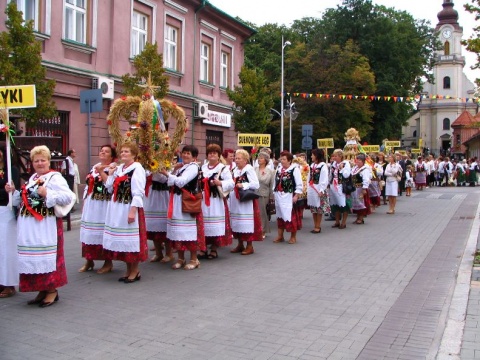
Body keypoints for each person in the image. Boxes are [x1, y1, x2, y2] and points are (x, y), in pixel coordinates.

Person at [5, 145, 73, 307]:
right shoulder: (33, 179)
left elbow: (68, 197)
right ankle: (41, 290)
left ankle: (51, 291)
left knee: (47, 258)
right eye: (36, 161)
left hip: (45, 226)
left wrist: (48, 193)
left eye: (43, 160)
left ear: (49, 161)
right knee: (34, 260)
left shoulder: (55, 177)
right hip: (30, 228)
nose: (40, 163)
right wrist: (13, 191)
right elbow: (24, 200)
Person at [103, 143, 148, 283]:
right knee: (123, 241)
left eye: (126, 152)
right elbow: (109, 188)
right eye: (121, 152)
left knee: (131, 240)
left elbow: (138, 192)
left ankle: (135, 270)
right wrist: (110, 175)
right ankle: (128, 270)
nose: (123, 154)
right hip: (117, 207)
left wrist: (132, 211)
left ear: (134, 154)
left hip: (129, 206)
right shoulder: (119, 168)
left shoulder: (137, 168)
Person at [160, 145, 205, 270]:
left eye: (188, 154)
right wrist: (172, 170)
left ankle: (194, 259)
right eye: (184, 153)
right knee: (177, 231)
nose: (185, 155)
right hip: (177, 200)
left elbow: (181, 182)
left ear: (194, 157)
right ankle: (181, 258)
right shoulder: (182, 167)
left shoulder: (193, 168)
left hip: (186, 201)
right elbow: (170, 182)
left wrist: (167, 174)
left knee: (188, 231)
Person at [79, 145, 117, 274]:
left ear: (111, 156)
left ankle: (108, 262)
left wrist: (102, 172)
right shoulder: (94, 167)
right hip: (92, 203)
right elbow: (88, 185)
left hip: (104, 204)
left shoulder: (113, 168)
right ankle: (89, 260)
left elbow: (110, 186)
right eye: (101, 150)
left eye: (106, 152)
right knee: (89, 233)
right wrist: (85, 200)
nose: (103, 152)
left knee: (102, 233)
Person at [201, 144, 234, 259]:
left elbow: (231, 183)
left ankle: (214, 248)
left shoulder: (223, 168)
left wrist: (219, 183)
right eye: (210, 153)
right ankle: (203, 247)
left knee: (215, 224)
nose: (212, 155)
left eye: (214, 153)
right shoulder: (203, 167)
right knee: (204, 222)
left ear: (219, 155)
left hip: (216, 200)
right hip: (204, 199)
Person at [230, 149, 262, 254]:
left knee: (246, 222)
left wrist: (243, 185)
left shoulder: (249, 169)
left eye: (239, 158)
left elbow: (256, 184)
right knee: (238, 222)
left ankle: (249, 246)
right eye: (236, 158)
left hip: (246, 201)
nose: (236, 160)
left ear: (245, 160)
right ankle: (240, 244)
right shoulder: (235, 170)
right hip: (236, 200)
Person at [0, 147, 20, 298]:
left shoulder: (11, 169)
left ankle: (9, 283)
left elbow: (14, 191)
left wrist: (8, 191)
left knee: (6, 249)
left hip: (5, 211)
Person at [273, 151, 303, 244]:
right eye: (281, 159)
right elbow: (275, 182)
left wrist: (296, 195)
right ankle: (280, 236)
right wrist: (274, 193)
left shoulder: (294, 169)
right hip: (279, 195)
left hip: (289, 196)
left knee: (291, 216)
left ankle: (293, 236)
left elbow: (299, 184)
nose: (282, 161)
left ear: (289, 160)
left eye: (284, 159)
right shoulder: (279, 169)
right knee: (280, 216)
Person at [144, 170, 172, 263]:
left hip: (162, 195)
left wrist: (155, 173)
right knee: (153, 226)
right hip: (151, 195)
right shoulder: (146, 166)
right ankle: (158, 253)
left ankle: (169, 253)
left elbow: (164, 179)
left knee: (164, 226)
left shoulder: (168, 165)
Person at [306, 148, 330, 233]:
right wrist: (307, 187)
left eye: (313, 154)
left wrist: (321, 190)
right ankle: (315, 224)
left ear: (317, 156)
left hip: (319, 189)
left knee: (319, 209)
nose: (311, 156)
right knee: (313, 208)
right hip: (312, 189)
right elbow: (309, 177)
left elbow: (324, 179)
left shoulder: (323, 166)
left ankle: (318, 226)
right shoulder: (312, 165)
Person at [329, 149, 351, 229]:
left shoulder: (346, 163)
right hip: (333, 186)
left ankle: (344, 222)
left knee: (343, 204)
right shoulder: (333, 164)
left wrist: (341, 168)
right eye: (334, 156)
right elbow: (331, 175)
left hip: (341, 186)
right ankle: (337, 221)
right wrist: (329, 183)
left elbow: (346, 175)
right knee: (335, 204)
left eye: (336, 156)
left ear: (341, 156)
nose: (334, 157)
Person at [255, 151, 275, 239]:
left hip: (264, 194)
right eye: (259, 158)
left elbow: (272, 184)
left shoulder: (270, 171)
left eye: (261, 158)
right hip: (254, 193)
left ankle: (263, 230)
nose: (259, 159)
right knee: (255, 213)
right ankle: (256, 229)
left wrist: (271, 196)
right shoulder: (254, 169)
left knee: (262, 213)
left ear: (266, 160)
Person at [350, 153, 372, 224]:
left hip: (360, 188)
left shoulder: (365, 169)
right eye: (357, 160)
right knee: (356, 202)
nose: (357, 161)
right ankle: (358, 217)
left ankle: (361, 218)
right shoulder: (355, 168)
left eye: (359, 160)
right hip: (355, 188)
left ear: (363, 161)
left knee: (361, 203)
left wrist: (364, 189)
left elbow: (366, 179)